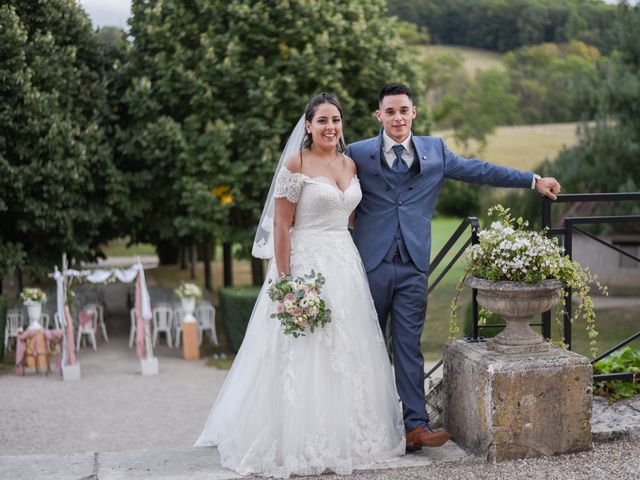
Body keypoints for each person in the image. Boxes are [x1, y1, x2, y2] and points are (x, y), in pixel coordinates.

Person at [195, 93, 405, 478]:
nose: (330, 127)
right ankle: (296, 437)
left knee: (347, 348)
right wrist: (287, 281)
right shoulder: (296, 164)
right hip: (306, 266)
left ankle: (347, 434)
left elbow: (353, 216)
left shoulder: (350, 164)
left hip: (345, 265)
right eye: (322, 120)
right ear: (307, 126)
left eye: (336, 120)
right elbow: (281, 225)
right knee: (303, 349)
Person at [346, 83, 561, 452]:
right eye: (390, 111)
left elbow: (479, 170)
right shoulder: (357, 153)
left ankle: (415, 425)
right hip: (370, 263)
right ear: (378, 116)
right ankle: (357, 424)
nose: (398, 117)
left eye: (404, 110)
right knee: (363, 345)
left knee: (409, 345)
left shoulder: (435, 150)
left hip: (413, 263)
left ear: (414, 113)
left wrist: (532, 180)